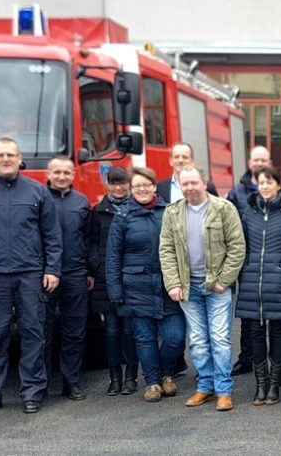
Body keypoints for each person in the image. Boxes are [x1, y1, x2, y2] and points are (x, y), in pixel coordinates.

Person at [0, 137, 63, 415]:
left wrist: (53, 268)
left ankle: (32, 392)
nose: (6, 159)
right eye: (1, 155)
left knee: (33, 333)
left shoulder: (38, 192)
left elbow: (52, 235)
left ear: (20, 158)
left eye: (11, 155)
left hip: (31, 274)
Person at [160, 166, 246, 412]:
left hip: (217, 287)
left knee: (219, 340)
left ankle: (224, 391)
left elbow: (237, 247)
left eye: (193, 183)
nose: (189, 188)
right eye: (184, 183)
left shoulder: (224, 209)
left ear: (203, 182)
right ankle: (205, 387)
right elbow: (166, 250)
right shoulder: (173, 212)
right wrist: (173, 283)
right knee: (197, 341)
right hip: (188, 288)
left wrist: (224, 280)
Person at [107, 167, 187, 403]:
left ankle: (167, 373)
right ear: (132, 189)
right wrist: (115, 290)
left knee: (175, 337)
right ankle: (153, 382)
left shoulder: (169, 212)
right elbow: (113, 257)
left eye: (146, 185)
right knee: (145, 338)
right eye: (137, 186)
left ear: (154, 187)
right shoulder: (122, 217)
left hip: (167, 285)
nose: (142, 189)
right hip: (135, 287)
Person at [236, 166, 281, 405]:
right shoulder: (249, 211)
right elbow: (240, 243)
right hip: (252, 281)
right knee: (255, 333)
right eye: (261, 182)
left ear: (278, 184)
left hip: (279, 281)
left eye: (269, 182)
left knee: (278, 332)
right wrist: (245, 268)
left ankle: (275, 384)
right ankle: (261, 384)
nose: (265, 186)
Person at [86, 166, 140, 396]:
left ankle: (131, 378)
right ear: (107, 184)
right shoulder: (98, 210)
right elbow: (92, 242)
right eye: (114, 182)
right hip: (105, 277)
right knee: (111, 330)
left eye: (122, 182)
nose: (118, 187)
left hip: (130, 276)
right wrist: (93, 267)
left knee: (129, 330)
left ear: (129, 184)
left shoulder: (136, 208)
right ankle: (114, 378)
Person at [43, 156, 93, 402]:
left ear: (74, 174)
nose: (62, 176)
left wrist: (89, 270)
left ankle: (70, 382)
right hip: (44, 275)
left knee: (74, 332)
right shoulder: (38, 199)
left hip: (75, 274)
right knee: (41, 330)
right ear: (49, 173)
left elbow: (88, 239)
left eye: (67, 172)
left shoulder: (81, 202)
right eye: (57, 172)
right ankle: (39, 383)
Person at [226, 145, 271, 377]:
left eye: (264, 159)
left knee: (275, 315)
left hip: (272, 261)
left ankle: (278, 361)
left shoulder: (276, 187)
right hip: (246, 261)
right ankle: (247, 358)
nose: (260, 163)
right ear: (250, 162)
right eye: (256, 159)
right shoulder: (237, 191)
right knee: (248, 314)